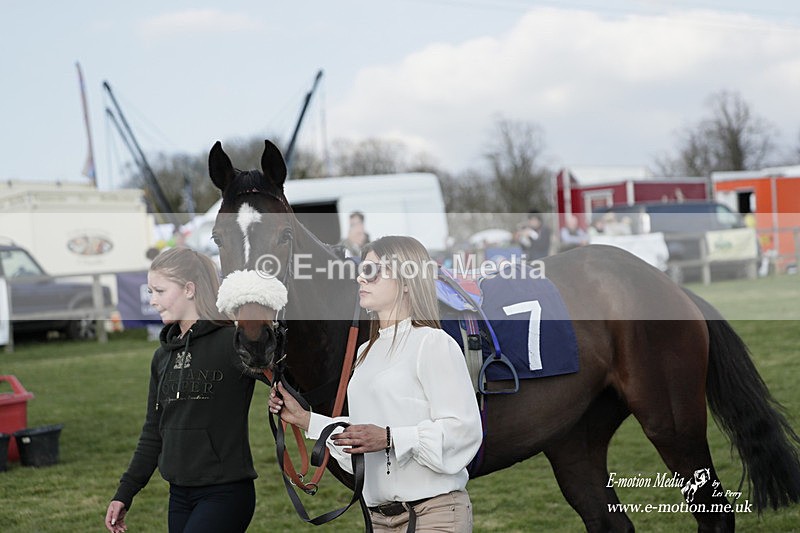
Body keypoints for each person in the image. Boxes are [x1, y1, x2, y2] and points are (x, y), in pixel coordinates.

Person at [269, 236, 482, 532]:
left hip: (435, 514)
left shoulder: (433, 343)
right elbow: (362, 439)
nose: (360, 277)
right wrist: (304, 419)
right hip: (378, 518)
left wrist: (390, 438)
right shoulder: (364, 352)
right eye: (361, 269)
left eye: (371, 271)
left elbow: (464, 431)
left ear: (406, 281)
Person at [105, 247, 259, 533]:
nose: (152, 301)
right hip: (179, 496)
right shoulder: (162, 357)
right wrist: (124, 492)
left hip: (226, 493)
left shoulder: (233, 342)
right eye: (150, 292)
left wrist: (285, 402)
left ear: (189, 289)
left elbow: (285, 382)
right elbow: (154, 431)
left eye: (160, 291)